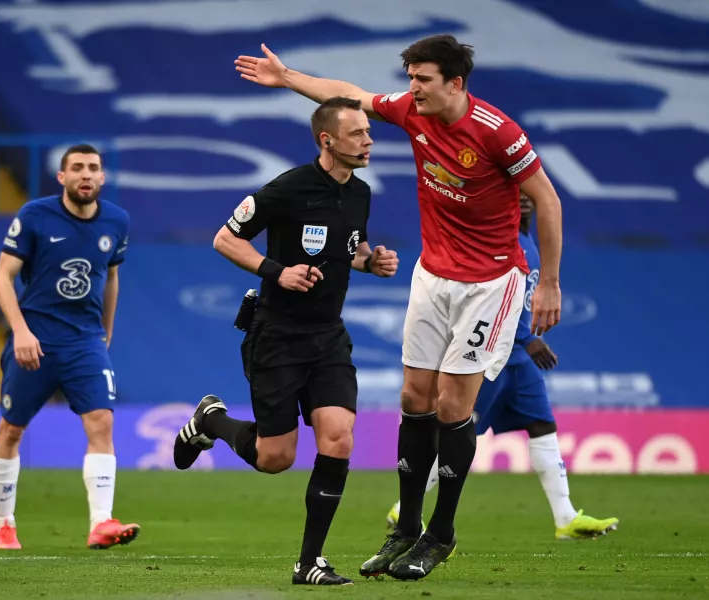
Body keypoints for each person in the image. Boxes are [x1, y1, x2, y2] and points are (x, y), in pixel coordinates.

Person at [234, 34, 565, 580]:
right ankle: (405, 530)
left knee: (454, 406)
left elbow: (547, 200)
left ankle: (441, 534)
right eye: (410, 77)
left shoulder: (496, 132)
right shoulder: (413, 111)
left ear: (455, 83)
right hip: (433, 274)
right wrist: (288, 77)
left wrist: (549, 282)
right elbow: (348, 93)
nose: (412, 88)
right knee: (415, 396)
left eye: (423, 79)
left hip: (491, 281)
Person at [172, 97, 400, 586]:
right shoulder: (287, 188)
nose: (369, 140)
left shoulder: (360, 193)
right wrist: (278, 271)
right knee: (275, 458)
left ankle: (309, 563)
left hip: (328, 337)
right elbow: (225, 239)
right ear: (328, 141)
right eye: (358, 133)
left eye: (367, 131)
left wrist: (370, 262)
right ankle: (210, 419)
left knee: (338, 437)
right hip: (276, 335)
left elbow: (348, 248)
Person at [385, 195, 619, 541]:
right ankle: (405, 510)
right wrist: (528, 338)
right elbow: (494, 300)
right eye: (516, 196)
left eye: (528, 198)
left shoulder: (530, 243)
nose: (524, 203)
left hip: (520, 363)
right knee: (459, 432)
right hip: (491, 356)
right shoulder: (500, 243)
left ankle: (565, 517)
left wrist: (525, 343)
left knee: (542, 425)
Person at [0, 143, 137, 551]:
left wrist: (105, 332)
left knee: (102, 423)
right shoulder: (35, 215)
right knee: (11, 430)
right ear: (62, 177)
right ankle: (4, 523)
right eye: (77, 168)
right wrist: (19, 331)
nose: (85, 175)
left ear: (103, 177)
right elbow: (3, 277)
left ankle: (101, 523)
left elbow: (111, 279)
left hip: (85, 340)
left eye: (93, 168)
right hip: (35, 337)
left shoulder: (116, 221)